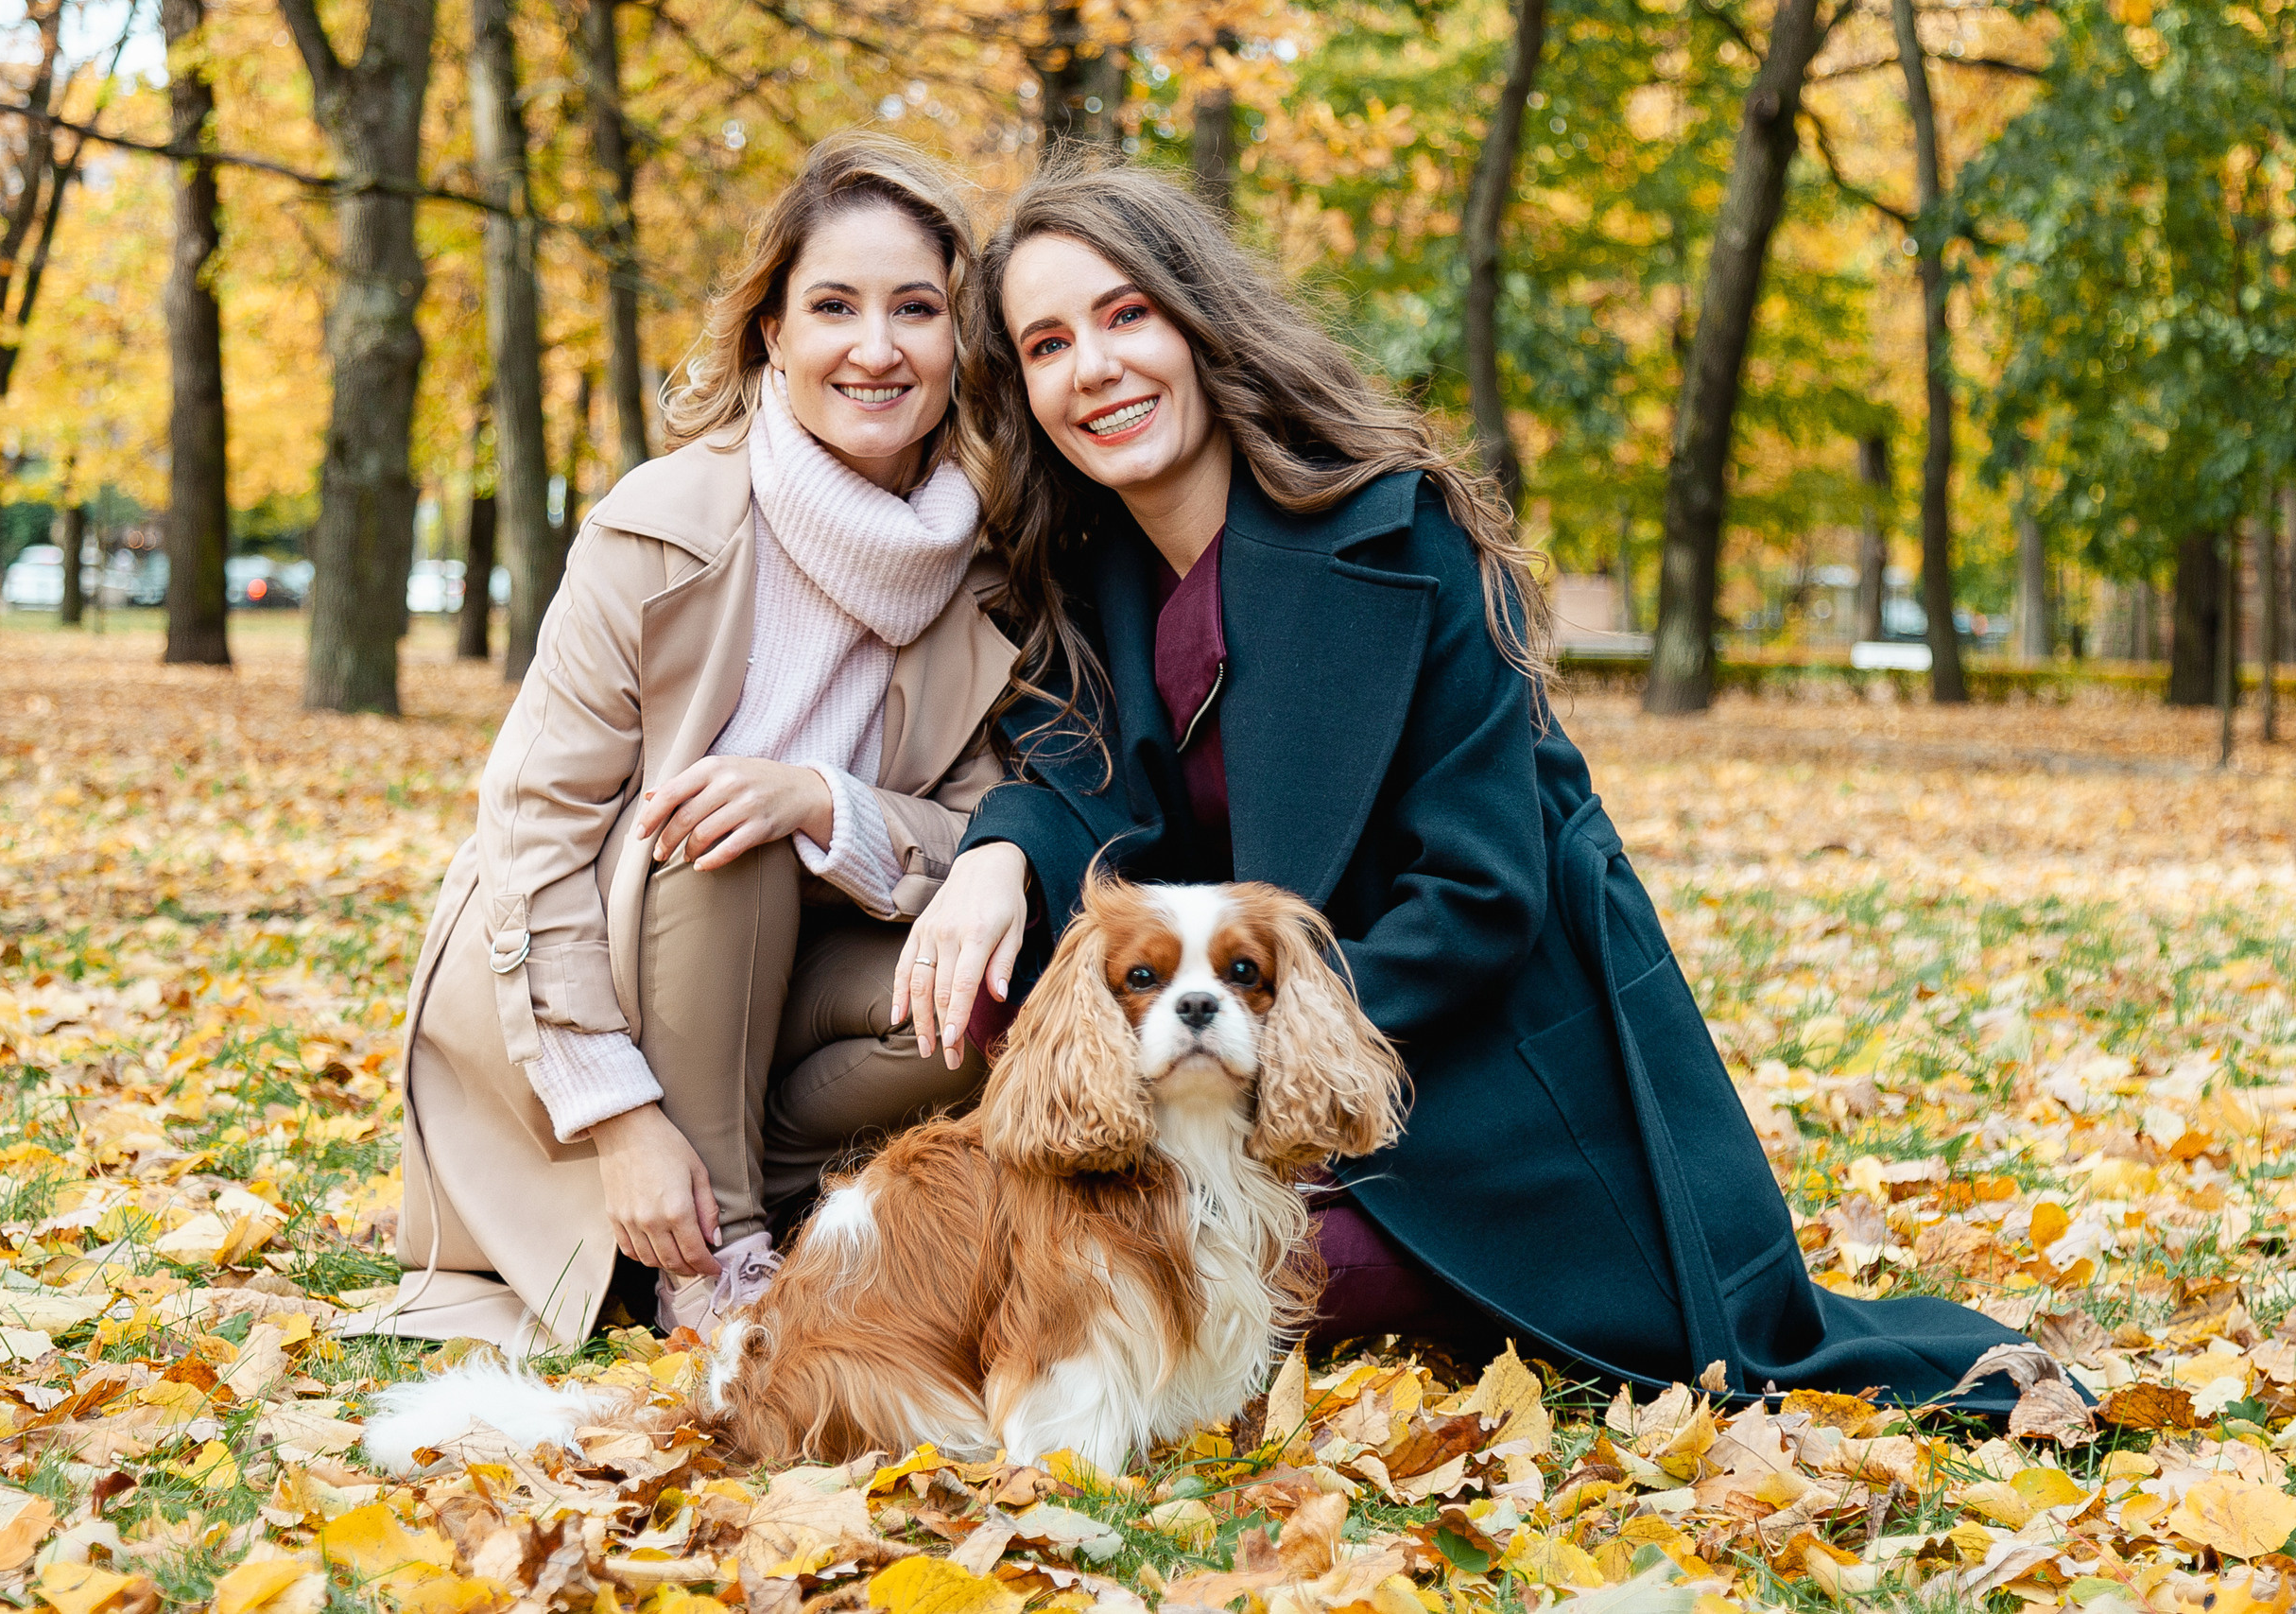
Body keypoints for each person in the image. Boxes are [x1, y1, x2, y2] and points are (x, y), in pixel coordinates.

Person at [898, 163, 2023, 1408]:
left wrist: (1275, 1041)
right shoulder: (1090, 569)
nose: (1093, 368)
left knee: (1226, 1272)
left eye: (1125, 316)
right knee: (1034, 1042)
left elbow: (1482, 889)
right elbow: (1079, 781)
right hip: (1228, 1051)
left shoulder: (1400, 532)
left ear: (1198, 316)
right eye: (1047, 343)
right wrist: (995, 858)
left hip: (1468, 1074)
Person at [354, 133, 1015, 1355]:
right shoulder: (660, 527)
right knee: (719, 828)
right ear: (772, 330)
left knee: (984, 993)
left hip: (809, 989)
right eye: (834, 305)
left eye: (915, 308)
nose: (876, 346)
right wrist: (622, 1119)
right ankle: (713, 1259)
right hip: (606, 976)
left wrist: (822, 798)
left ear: (958, 339)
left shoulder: (984, 564)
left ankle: (734, 1201)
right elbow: (533, 830)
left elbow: (985, 821)